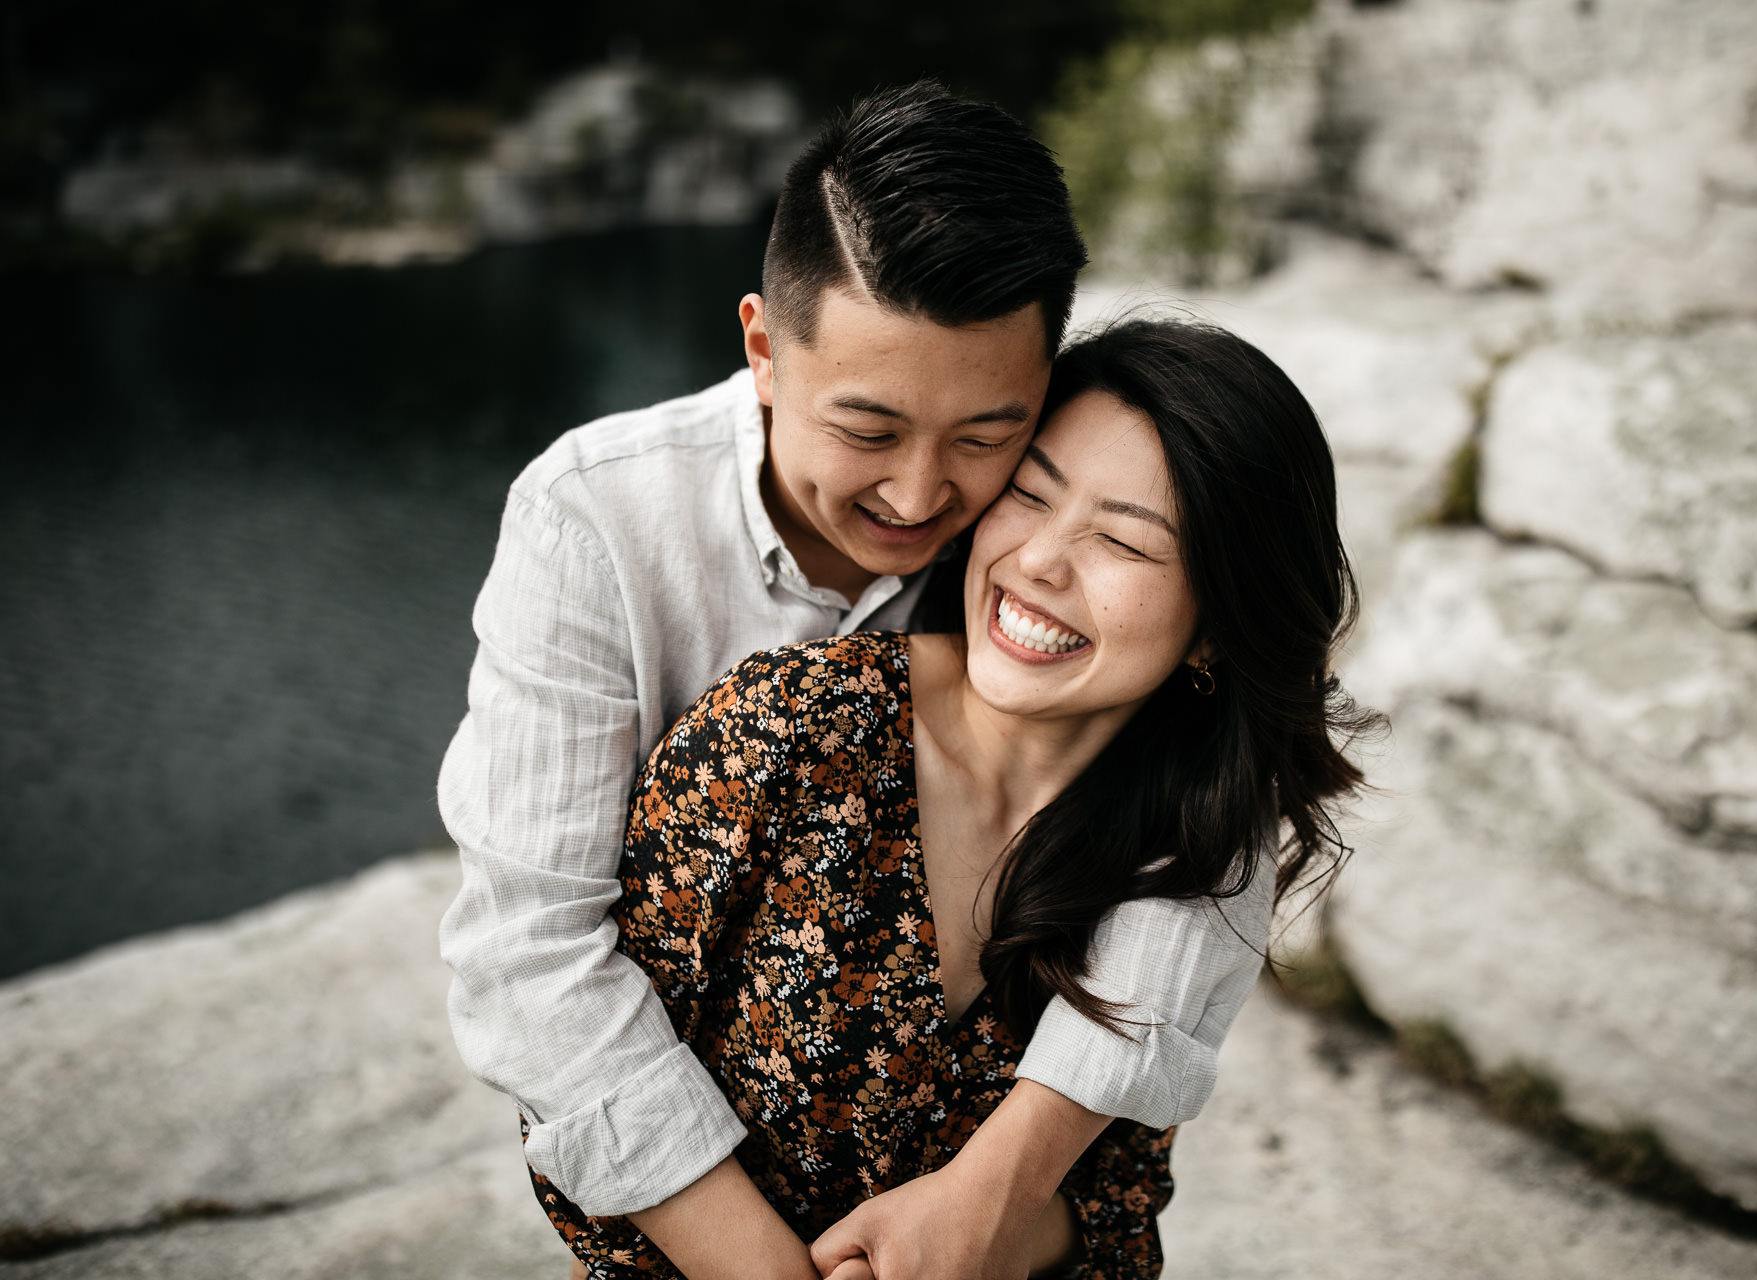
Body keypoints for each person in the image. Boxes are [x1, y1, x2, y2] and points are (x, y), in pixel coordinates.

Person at [438, 84, 1283, 1279]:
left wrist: (997, 1192)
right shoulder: (600, 520)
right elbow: (530, 952)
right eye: (870, 429)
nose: (922, 495)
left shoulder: (1043, 548)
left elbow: (1213, 795)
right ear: (764, 349)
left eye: (990, 435)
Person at [527, 318, 1376, 1279]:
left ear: (1216, 630)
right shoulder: (792, 730)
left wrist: (990, 1224)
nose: (1041, 561)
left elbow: (1122, 1204)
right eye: (1029, 493)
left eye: (1123, 544)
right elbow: (582, 1085)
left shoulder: (1183, 851)